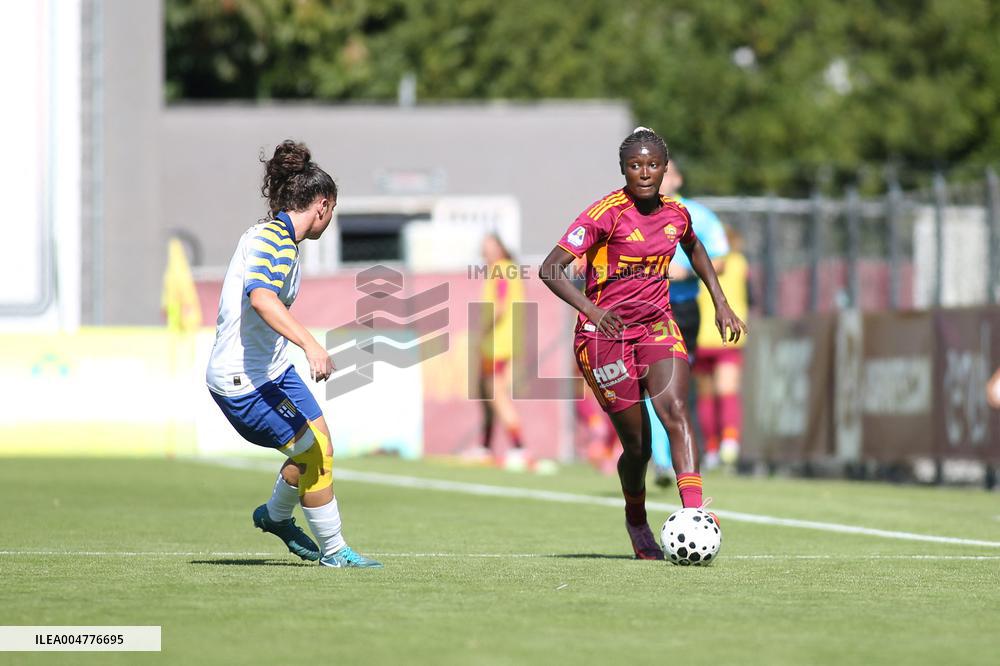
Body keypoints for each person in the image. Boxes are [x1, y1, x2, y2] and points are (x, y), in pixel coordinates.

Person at [539, 127, 746, 560]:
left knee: (675, 411)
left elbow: (696, 249)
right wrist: (594, 312)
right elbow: (550, 269)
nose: (645, 173)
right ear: (623, 169)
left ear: (665, 169)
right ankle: (636, 520)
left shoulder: (677, 214)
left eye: (653, 165)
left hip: (656, 325)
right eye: (636, 166)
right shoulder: (605, 214)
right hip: (604, 337)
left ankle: (695, 514)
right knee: (639, 446)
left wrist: (721, 303)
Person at [205, 140, 381, 568]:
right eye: (333, 211)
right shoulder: (274, 240)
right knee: (312, 454)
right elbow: (263, 298)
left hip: (273, 369)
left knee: (321, 446)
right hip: (242, 382)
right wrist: (311, 343)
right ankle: (334, 551)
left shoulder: (283, 240)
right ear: (321, 205)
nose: (331, 220)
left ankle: (276, 515)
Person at [692, 226, 750, 467]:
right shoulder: (738, 263)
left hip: (700, 335)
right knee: (727, 391)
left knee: (706, 395)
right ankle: (730, 440)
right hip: (729, 334)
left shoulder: (694, 263)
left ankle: (713, 449)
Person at [471, 233, 528, 471]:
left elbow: (500, 305)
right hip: (501, 342)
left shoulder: (501, 270)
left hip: (497, 343)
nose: (487, 251)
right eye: (485, 247)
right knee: (487, 395)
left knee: (496, 395)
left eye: (491, 246)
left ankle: (518, 447)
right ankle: (485, 446)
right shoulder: (506, 269)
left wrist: (483, 331)